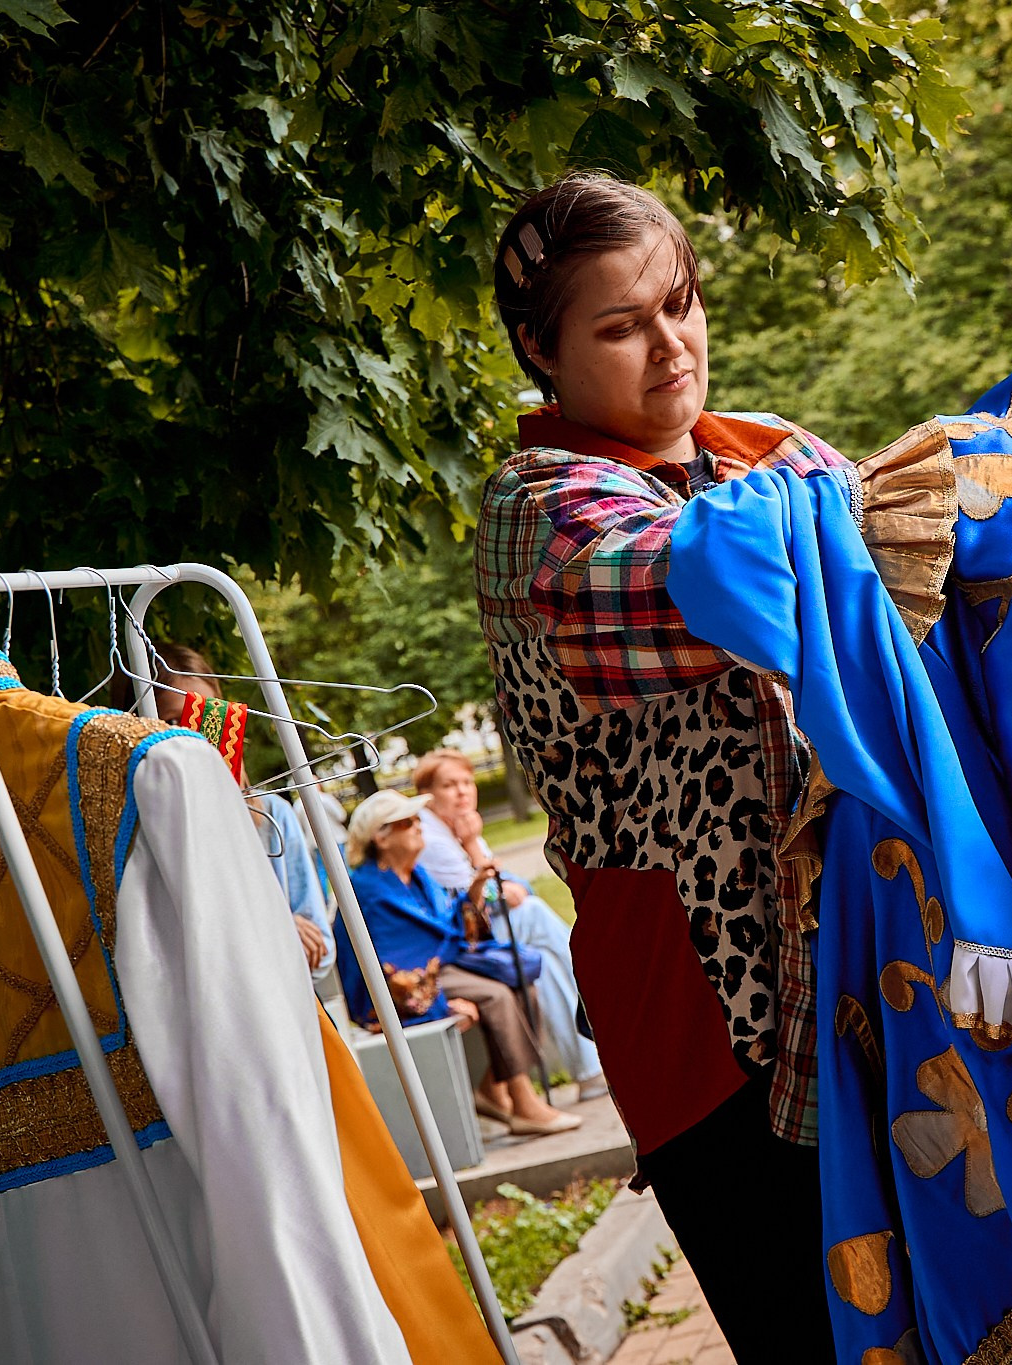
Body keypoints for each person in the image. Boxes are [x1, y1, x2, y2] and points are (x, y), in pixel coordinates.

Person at [473, 172, 836, 1359]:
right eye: (621, 326)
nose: (671, 344)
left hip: (849, 995)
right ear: (540, 348)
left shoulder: (749, 460)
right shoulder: (538, 510)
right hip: (708, 1031)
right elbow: (714, 583)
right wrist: (853, 497)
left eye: (678, 303)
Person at [341, 789, 580, 1136]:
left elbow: (451, 927)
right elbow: (388, 968)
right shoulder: (368, 889)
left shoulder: (417, 874)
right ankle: (523, 1102)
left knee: (520, 981)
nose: (419, 827)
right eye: (408, 822)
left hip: (443, 967)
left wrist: (477, 887)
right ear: (381, 836)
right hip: (406, 992)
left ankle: (493, 1090)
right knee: (496, 996)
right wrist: (440, 1006)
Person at [412, 748, 607, 1097]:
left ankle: (589, 1066)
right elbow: (494, 893)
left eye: (467, 782)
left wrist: (490, 867)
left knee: (544, 959)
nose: (462, 791)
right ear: (428, 793)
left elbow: (509, 884)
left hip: (474, 932)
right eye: (449, 785)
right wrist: (473, 844)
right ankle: (593, 982)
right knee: (535, 921)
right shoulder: (430, 837)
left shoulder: (454, 824)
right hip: (457, 944)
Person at [141, 644, 335, 974]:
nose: (195, 735)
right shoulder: (142, 831)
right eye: (174, 720)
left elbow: (320, 953)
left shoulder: (273, 814)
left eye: (207, 717)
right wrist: (277, 925)